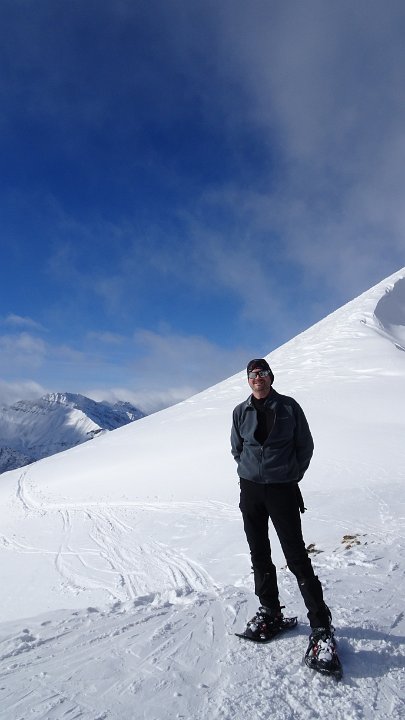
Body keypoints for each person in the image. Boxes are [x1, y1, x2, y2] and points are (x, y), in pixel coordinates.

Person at [231, 358, 337, 670]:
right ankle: (270, 610)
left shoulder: (289, 407)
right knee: (259, 552)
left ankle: (321, 625)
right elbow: (237, 448)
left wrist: (291, 475)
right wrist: (249, 471)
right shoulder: (240, 411)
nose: (258, 378)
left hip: (282, 489)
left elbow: (305, 446)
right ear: (248, 380)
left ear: (271, 377)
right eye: (253, 374)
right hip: (251, 490)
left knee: (296, 555)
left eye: (263, 373)